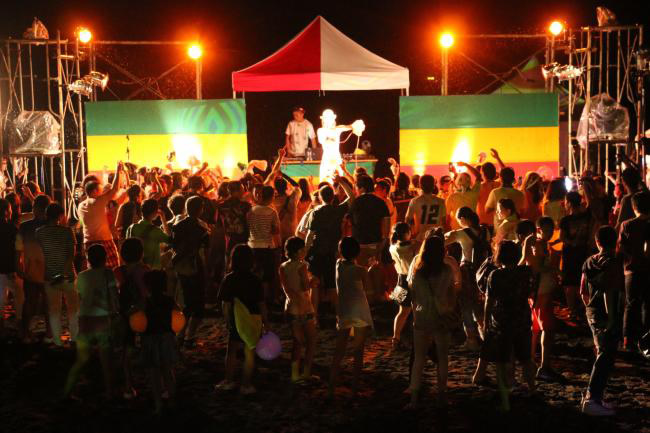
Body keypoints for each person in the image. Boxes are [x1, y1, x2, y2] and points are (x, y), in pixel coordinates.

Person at [483, 240, 537, 412]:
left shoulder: (495, 275)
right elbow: (531, 292)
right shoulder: (525, 272)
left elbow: (489, 301)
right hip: (522, 320)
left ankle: (505, 399)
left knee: (501, 361)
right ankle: (533, 389)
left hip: (502, 322)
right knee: (526, 358)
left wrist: (485, 323)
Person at [406, 235, 455, 408]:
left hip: (422, 317)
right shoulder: (447, 270)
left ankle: (413, 398)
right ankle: (442, 395)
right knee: (442, 358)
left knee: (419, 359)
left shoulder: (418, 273)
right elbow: (451, 293)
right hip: (441, 317)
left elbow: (413, 297)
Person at [580, 225, 623, 416]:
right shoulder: (612, 263)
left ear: (597, 242)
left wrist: (589, 308)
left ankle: (595, 397)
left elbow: (582, 290)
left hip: (592, 312)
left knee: (602, 353)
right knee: (605, 356)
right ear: (616, 242)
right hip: (606, 315)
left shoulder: (589, 261)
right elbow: (609, 291)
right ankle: (592, 398)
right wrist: (612, 317)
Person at [64, 244, 117, 399]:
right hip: (102, 320)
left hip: (85, 320)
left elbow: (81, 297)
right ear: (105, 258)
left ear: (88, 259)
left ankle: (68, 391)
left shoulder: (81, 276)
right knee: (106, 361)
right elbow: (113, 296)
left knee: (81, 360)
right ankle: (110, 392)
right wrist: (116, 313)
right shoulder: (108, 274)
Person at [216, 244, 268, 395]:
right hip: (254, 319)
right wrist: (266, 322)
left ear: (233, 260)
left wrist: (227, 320)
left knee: (232, 351)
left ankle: (228, 380)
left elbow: (225, 304)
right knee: (250, 352)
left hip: (237, 320)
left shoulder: (229, 279)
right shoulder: (255, 280)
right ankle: (246, 385)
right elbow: (262, 304)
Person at [521, 216, 565, 382]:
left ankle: (531, 361)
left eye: (551, 230)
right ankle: (544, 366)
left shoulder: (541, 244)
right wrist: (554, 269)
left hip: (539, 291)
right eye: (547, 230)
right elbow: (536, 268)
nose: (550, 233)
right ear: (539, 230)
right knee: (547, 328)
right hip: (542, 292)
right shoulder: (538, 245)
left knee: (536, 328)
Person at [329, 237, 373, 397]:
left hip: (344, 310)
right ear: (357, 253)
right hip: (359, 311)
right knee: (358, 351)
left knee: (339, 350)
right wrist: (370, 269)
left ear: (341, 252)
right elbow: (370, 292)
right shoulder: (361, 271)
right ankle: (354, 389)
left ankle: (331, 386)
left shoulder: (338, 265)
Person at [444, 207, 491, 350]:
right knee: (479, 305)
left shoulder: (460, 233)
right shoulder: (485, 231)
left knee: (466, 305)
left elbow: (441, 240)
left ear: (463, 219)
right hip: (483, 271)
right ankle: (486, 337)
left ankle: (471, 339)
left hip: (467, 272)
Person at [305, 179, 354, 310]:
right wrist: (341, 181)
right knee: (333, 285)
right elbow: (352, 196)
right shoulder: (338, 210)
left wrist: (305, 252)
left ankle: (314, 316)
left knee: (314, 284)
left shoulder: (315, 212)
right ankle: (338, 315)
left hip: (317, 251)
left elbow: (310, 235)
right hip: (332, 252)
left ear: (320, 197)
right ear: (333, 197)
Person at [36, 203, 77, 346]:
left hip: (49, 276)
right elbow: (71, 254)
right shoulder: (67, 231)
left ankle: (58, 341)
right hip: (68, 276)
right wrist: (64, 271)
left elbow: (39, 255)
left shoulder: (39, 232)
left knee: (54, 310)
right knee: (73, 309)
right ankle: (74, 339)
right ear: (60, 216)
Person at [170, 196, 209, 348]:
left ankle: (180, 335)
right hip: (195, 266)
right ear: (200, 210)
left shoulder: (178, 226)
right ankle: (189, 336)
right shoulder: (202, 228)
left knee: (186, 302)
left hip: (181, 266)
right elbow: (206, 250)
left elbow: (174, 246)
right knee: (198, 305)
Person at [114, 238, 150, 399]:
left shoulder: (117, 271)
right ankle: (155, 382)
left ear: (122, 254)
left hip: (124, 313)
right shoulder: (145, 270)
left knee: (126, 349)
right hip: (142, 312)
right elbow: (147, 295)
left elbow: (114, 295)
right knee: (148, 346)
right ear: (141, 253)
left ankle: (128, 386)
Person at [141, 270, 181, 414]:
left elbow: (137, 316)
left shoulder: (145, 302)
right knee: (167, 370)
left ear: (148, 286)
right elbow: (178, 312)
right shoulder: (169, 300)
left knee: (154, 373)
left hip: (150, 338)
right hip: (166, 337)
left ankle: (158, 403)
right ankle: (172, 400)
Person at [279, 237, 317, 383]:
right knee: (311, 341)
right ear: (298, 251)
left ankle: (294, 375)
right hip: (304, 307)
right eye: (303, 249)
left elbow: (286, 288)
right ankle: (306, 373)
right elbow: (305, 287)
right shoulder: (302, 266)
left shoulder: (282, 267)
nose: (305, 251)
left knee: (297, 343)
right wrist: (313, 282)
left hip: (291, 308)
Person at [617, 191, 650, 352]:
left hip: (631, 270)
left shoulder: (626, 225)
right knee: (647, 304)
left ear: (634, 207)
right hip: (647, 269)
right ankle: (645, 339)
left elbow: (621, 249)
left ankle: (628, 340)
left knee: (631, 305)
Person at [78, 161, 125, 269]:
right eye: (100, 190)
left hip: (88, 243)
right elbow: (115, 189)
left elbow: (81, 222)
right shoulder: (99, 201)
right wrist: (118, 170)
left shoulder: (80, 206)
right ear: (94, 191)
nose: (102, 192)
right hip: (104, 241)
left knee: (94, 270)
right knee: (113, 268)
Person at [17, 194, 51, 341]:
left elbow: (18, 249)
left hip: (31, 270)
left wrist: (18, 267)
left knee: (30, 302)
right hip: (48, 271)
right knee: (49, 304)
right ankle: (50, 334)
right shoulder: (53, 227)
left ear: (35, 208)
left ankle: (25, 333)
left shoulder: (25, 227)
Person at [560, 191, 593, 319]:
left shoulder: (565, 220)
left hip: (570, 253)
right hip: (584, 252)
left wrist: (572, 242)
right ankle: (585, 309)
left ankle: (572, 310)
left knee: (569, 283)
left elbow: (562, 237)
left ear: (568, 203)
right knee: (582, 281)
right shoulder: (587, 216)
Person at [247, 185, 281, 306]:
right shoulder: (272, 212)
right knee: (268, 275)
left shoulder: (251, 211)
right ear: (272, 197)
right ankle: (266, 300)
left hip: (252, 246)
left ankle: (255, 298)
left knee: (255, 274)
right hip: (267, 246)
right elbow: (276, 231)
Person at [348, 175, 390, 269]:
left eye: (357, 188)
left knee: (361, 272)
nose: (356, 191)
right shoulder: (381, 202)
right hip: (375, 244)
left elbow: (350, 223)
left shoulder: (356, 202)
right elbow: (387, 228)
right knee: (375, 273)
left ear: (362, 188)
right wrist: (381, 245)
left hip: (359, 245)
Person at [389, 222, 417, 349]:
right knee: (416, 310)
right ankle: (417, 338)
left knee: (402, 312)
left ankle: (396, 338)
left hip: (400, 280)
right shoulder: (411, 247)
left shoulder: (392, 247)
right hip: (412, 280)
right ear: (407, 233)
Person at [126, 198, 170, 269]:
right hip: (152, 270)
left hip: (135, 270)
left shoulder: (131, 228)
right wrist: (163, 219)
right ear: (155, 212)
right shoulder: (156, 231)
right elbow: (169, 240)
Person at [405, 174, 446, 243]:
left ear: (420, 186)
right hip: (436, 237)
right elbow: (443, 222)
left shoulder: (415, 201)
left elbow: (407, 220)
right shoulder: (441, 201)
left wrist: (411, 235)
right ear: (434, 186)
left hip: (420, 238)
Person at [0, 198, 21, 335]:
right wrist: (16, 267)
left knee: (0, 300)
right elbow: (16, 250)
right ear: (7, 212)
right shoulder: (12, 229)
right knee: (20, 298)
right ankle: (20, 327)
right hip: (10, 269)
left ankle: (1, 328)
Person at [216, 181, 252, 254]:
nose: (244, 191)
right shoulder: (246, 206)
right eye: (242, 188)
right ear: (236, 191)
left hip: (229, 241)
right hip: (244, 240)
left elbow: (218, 224)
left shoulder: (221, 206)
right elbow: (250, 223)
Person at [317, 109, 352, 181]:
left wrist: (354, 126)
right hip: (327, 158)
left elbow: (346, 127)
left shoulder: (337, 129)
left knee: (339, 180)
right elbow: (323, 140)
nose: (328, 121)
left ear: (333, 119)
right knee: (326, 179)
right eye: (326, 119)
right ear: (323, 120)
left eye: (330, 119)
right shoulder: (321, 131)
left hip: (337, 158)